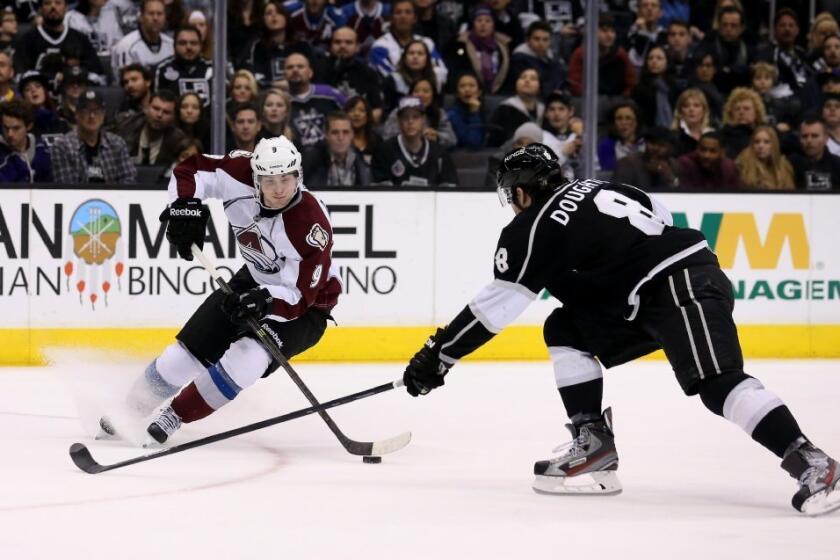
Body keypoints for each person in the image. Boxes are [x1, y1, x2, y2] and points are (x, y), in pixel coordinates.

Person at [400, 142, 840, 516]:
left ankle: (813, 462)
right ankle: (593, 442)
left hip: (676, 287)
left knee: (717, 383)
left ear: (520, 191)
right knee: (566, 327)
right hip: (657, 290)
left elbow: (492, 310)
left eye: (511, 195)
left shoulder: (530, 228)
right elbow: (656, 226)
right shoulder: (606, 186)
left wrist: (436, 356)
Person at [99, 135, 342, 445]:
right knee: (181, 357)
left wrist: (264, 301)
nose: (279, 188)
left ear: (299, 176)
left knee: (248, 359)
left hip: (306, 308)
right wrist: (184, 206)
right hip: (253, 279)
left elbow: (298, 298)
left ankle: (176, 414)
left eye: (287, 178)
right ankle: (131, 408)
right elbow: (189, 171)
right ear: (256, 179)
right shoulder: (238, 172)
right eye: (269, 181)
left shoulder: (310, 225)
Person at [51, 89, 136, 183]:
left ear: (103, 115)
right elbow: (67, 189)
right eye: (86, 111)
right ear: (77, 115)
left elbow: (129, 183)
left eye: (97, 111)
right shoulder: (62, 147)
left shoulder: (117, 144)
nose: (92, 116)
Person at [370, 95, 458, 187]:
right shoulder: (384, 151)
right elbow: (379, 191)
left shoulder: (439, 153)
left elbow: (450, 189)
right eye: (405, 117)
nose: (410, 121)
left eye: (415, 117)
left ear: (423, 120)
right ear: (399, 121)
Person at [13, 0, 106, 86]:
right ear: (40, 9)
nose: (53, 7)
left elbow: (98, 76)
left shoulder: (80, 39)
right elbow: (19, 75)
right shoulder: (27, 40)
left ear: (66, 8)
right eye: (47, 3)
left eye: (58, 3)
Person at [368, 0, 448, 89]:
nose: (403, 16)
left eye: (408, 12)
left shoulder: (427, 43)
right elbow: (391, 79)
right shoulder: (380, 47)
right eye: (398, 12)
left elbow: (441, 72)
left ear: (415, 18)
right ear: (391, 18)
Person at [444, 5, 511, 96]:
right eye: (479, 20)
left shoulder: (504, 46)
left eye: (488, 21)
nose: (483, 24)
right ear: (473, 24)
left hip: (498, 96)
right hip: (467, 95)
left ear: (493, 24)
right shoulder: (458, 45)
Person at [322, 27, 384, 124]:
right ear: (330, 46)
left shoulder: (368, 73)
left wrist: (360, 123)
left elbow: (377, 110)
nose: (342, 46)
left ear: (357, 47)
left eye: (348, 42)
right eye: (337, 42)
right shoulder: (319, 70)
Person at [285, 52, 346, 148]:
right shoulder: (281, 102)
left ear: (310, 73)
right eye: (290, 67)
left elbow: (351, 116)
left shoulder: (330, 94)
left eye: (300, 67)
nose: (295, 70)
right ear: (284, 74)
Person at [118, 89, 187, 167]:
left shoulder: (178, 140)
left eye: (166, 112)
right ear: (147, 108)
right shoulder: (126, 125)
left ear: (174, 117)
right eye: (156, 108)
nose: (159, 115)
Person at [381, 78, 456, 149]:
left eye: (425, 91)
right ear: (410, 94)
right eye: (416, 91)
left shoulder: (440, 113)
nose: (420, 95)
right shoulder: (397, 112)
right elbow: (387, 137)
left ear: (433, 95)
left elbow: (452, 140)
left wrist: (437, 136)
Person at [302, 111, 371, 187]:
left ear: (352, 135)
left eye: (345, 132)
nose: (340, 138)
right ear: (326, 135)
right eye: (335, 132)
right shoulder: (310, 160)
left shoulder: (361, 163)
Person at [154, 25, 213, 107]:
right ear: (174, 46)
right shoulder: (162, 69)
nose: (188, 47)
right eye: (182, 43)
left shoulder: (214, 69)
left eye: (193, 43)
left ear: (201, 46)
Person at [111, 0, 173, 77]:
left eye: (159, 14)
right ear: (141, 17)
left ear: (165, 17)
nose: (155, 18)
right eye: (151, 14)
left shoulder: (171, 45)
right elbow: (125, 81)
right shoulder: (126, 46)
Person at [487, 68, 543, 147]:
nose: (527, 80)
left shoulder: (545, 111)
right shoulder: (505, 109)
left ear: (540, 86)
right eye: (522, 77)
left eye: (533, 78)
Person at [0, 99, 52, 182]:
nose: (10, 134)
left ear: (29, 126)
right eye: (6, 128)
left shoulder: (42, 148)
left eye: (16, 128)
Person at [509, 20, 564, 97]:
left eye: (545, 40)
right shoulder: (519, 59)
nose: (541, 43)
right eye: (536, 39)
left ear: (550, 41)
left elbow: (560, 82)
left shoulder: (554, 59)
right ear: (528, 40)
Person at [613, 126, 680, 188]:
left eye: (661, 145)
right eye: (652, 143)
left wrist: (670, 177)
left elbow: (683, 195)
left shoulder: (675, 165)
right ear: (645, 143)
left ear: (670, 148)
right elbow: (618, 193)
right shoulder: (627, 163)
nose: (656, 148)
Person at [735, 125, 794, 189]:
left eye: (766, 142)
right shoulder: (743, 165)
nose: (760, 146)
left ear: (774, 145)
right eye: (757, 142)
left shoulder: (783, 167)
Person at [632, 45, 676, 129]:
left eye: (659, 58)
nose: (654, 61)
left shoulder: (674, 87)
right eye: (650, 58)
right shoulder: (639, 89)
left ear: (667, 62)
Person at [677, 131, 742, 188]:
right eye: (703, 150)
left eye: (713, 151)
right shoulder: (686, 164)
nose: (706, 155)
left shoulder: (729, 168)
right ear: (697, 149)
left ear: (722, 153)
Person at [789, 117, 840, 190]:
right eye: (804, 136)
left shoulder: (837, 164)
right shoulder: (789, 164)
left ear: (826, 138)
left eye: (814, 136)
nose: (809, 141)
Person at [720, 87, 767, 159]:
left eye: (746, 108)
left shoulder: (767, 133)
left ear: (757, 112)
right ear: (731, 113)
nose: (741, 112)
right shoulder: (722, 136)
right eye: (737, 109)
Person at [597, 100, 643, 172]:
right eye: (619, 118)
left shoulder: (645, 144)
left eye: (628, 118)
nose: (623, 123)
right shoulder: (606, 146)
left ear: (636, 122)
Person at [447, 72, 486, 149]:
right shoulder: (452, 114)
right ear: (457, 93)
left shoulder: (485, 111)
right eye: (462, 86)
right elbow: (473, 143)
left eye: (472, 86)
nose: (467, 89)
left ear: (479, 92)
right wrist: (474, 114)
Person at [671, 88, 714, 156]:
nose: (691, 109)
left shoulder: (713, 135)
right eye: (686, 106)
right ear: (680, 112)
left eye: (696, 105)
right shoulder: (673, 137)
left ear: (704, 111)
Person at [627, 0, 668, 68]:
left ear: (660, 13)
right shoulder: (629, 34)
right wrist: (642, 31)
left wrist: (644, 31)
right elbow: (638, 59)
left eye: (654, 5)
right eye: (645, 5)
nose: (649, 8)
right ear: (638, 12)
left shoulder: (665, 35)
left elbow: (654, 56)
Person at [344, 95, 381, 164]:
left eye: (361, 111)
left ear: (368, 116)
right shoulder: (340, 140)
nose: (356, 114)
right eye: (352, 110)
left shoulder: (377, 141)